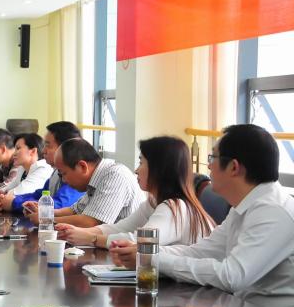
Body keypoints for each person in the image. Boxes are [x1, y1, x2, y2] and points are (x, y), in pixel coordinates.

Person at [111, 125, 294, 297]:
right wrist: (147, 253)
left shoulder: (273, 211)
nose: (208, 166)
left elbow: (231, 276)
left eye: (212, 158)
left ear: (234, 167)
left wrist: (154, 259)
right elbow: (201, 251)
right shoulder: (244, 206)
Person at [56, 136, 214, 248]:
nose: (136, 170)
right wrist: (76, 232)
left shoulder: (175, 207)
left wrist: (92, 238)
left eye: (141, 162)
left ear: (158, 169)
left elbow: (141, 241)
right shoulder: (153, 202)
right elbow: (121, 228)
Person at [52, 137, 144, 226]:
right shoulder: (95, 180)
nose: (63, 180)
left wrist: (48, 221)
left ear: (83, 167)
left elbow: (90, 222)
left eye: (63, 173)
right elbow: (75, 211)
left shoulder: (115, 175)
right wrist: (47, 212)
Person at [10, 121, 84, 219]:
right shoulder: (56, 173)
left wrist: (14, 203)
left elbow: (59, 205)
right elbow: (40, 195)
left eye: (48, 145)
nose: (43, 150)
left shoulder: (77, 174)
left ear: (65, 148)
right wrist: (14, 200)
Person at [0, 132, 54, 209]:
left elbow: (20, 191)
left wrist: (2, 197)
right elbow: (11, 185)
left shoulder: (43, 168)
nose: (14, 154)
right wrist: (1, 192)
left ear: (33, 151)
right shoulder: (22, 168)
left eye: (18, 148)